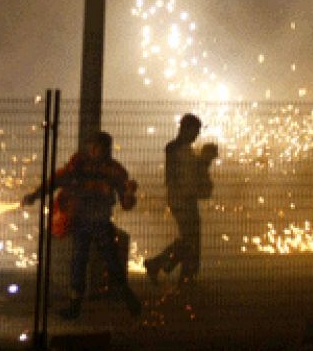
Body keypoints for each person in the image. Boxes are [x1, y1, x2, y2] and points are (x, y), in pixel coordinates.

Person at [24, 131, 141, 321]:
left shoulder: (114, 170)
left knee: (110, 263)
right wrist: (35, 195)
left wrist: (128, 194)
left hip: (101, 223)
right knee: (79, 262)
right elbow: (55, 181)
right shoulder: (78, 165)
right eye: (92, 146)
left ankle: (127, 298)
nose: (94, 150)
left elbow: (126, 204)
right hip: (82, 221)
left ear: (106, 149)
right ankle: (76, 305)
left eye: (98, 147)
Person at [144, 114, 217, 285]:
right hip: (182, 200)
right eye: (195, 131)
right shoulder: (178, 149)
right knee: (190, 240)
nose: (196, 135)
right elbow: (185, 176)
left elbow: (190, 173)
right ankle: (174, 270)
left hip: (183, 199)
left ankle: (166, 267)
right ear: (186, 129)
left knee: (189, 239)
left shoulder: (182, 149)